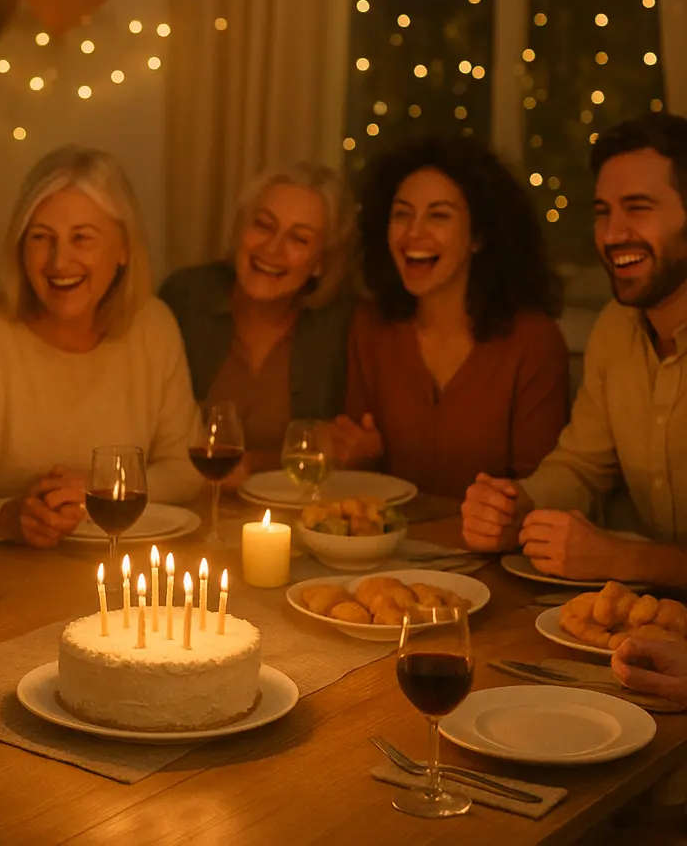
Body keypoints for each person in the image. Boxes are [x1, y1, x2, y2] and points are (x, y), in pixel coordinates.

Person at [0, 146, 202, 546]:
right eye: (41, 238)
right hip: (4, 577)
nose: (59, 262)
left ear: (123, 249)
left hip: (123, 568)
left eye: (82, 238)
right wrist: (7, 517)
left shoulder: (153, 325)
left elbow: (186, 468)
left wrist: (100, 490)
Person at [462, 113, 687, 584]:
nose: (611, 234)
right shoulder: (616, 328)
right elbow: (582, 467)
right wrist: (518, 506)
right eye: (603, 211)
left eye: (638, 207)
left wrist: (626, 560)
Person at [334, 136, 568, 501]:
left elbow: (541, 493)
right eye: (402, 214)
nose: (413, 233)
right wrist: (355, 456)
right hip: (386, 551)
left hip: (492, 554)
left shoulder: (534, 341)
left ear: (478, 235)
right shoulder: (371, 326)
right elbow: (359, 480)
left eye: (439, 216)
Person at [159, 161, 353, 476]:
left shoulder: (339, 328)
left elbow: (338, 449)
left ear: (320, 262)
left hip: (299, 518)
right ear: (240, 230)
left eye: (299, 239)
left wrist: (252, 465)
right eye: (263, 225)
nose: (272, 249)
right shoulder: (185, 298)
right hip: (184, 513)